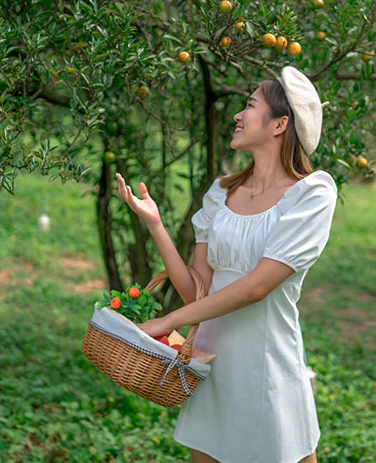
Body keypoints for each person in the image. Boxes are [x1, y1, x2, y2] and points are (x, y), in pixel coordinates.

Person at [114, 66, 337, 463]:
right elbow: (196, 292)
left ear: (280, 124)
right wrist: (156, 225)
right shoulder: (220, 193)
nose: (237, 114)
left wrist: (167, 322)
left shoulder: (311, 195)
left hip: (266, 365)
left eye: (250, 105)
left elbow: (256, 287)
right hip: (211, 363)